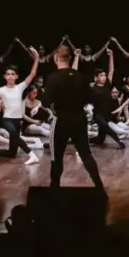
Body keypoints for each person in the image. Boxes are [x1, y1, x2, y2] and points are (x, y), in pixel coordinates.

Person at [41, 44, 105, 190]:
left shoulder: (53, 77)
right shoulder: (80, 76)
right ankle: (100, 187)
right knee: (86, 154)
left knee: (56, 157)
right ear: (70, 59)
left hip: (61, 120)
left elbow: (45, 102)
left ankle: (54, 189)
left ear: (56, 58)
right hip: (79, 119)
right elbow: (92, 97)